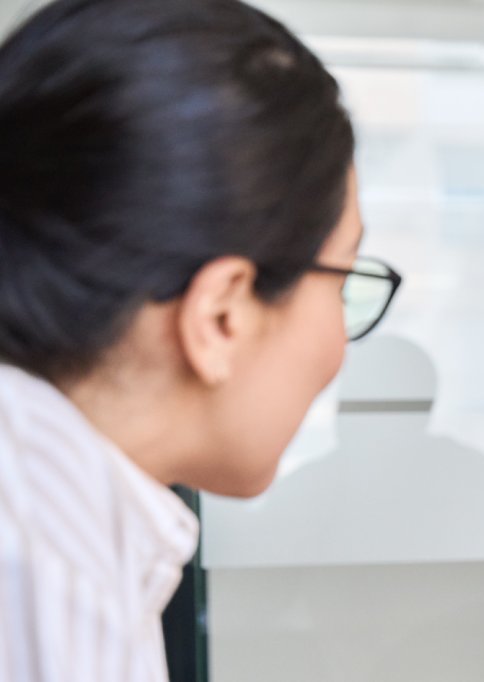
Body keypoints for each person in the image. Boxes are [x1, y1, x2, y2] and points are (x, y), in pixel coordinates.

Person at [0, 0, 400, 680]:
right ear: (222, 314)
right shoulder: (46, 574)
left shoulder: (63, 518)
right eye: (340, 280)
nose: (341, 342)